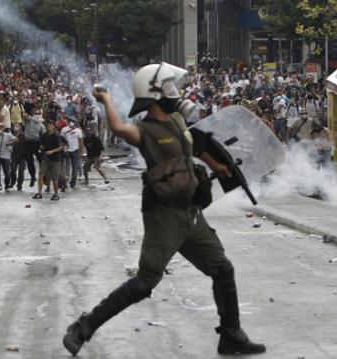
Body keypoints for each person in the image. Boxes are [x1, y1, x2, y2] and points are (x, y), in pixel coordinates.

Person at [63, 62, 265, 356]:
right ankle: (82, 328)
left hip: (191, 213)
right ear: (154, 95)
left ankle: (231, 335)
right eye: (169, 88)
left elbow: (195, 147)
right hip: (164, 217)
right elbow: (119, 128)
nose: (175, 92)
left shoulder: (178, 121)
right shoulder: (144, 130)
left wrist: (218, 166)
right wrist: (105, 99)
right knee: (145, 283)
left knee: (223, 269)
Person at [33, 121, 63, 200]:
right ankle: (39, 193)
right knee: (41, 175)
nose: (49, 126)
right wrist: (41, 147)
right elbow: (43, 145)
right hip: (46, 158)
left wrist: (52, 151)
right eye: (48, 125)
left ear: (53, 126)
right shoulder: (44, 135)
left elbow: (60, 147)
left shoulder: (56, 136)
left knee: (54, 178)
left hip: (55, 159)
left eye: (50, 125)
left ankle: (56, 194)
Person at [0, 123, 17, 192]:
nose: (0, 128)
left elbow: (17, 140)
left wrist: (10, 143)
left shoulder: (8, 135)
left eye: (2, 126)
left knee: (7, 173)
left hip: (6, 156)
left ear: (4, 128)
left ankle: (7, 185)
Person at [61, 119, 83, 189]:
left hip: (71, 150)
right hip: (69, 151)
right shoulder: (65, 129)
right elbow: (61, 139)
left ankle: (68, 182)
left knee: (70, 167)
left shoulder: (77, 130)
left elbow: (80, 141)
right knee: (71, 167)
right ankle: (69, 182)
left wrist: (81, 151)